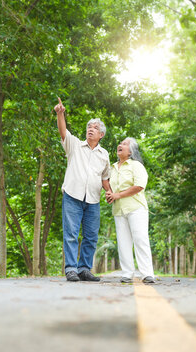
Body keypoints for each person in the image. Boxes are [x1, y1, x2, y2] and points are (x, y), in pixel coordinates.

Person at [54, 97, 111, 282]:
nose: (90, 129)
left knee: (91, 236)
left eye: (94, 127)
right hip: (72, 195)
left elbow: (105, 178)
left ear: (101, 134)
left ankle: (84, 269)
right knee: (70, 234)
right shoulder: (75, 146)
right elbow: (63, 132)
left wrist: (110, 192)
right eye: (89, 127)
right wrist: (60, 114)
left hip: (93, 200)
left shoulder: (104, 155)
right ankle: (71, 268)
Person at [105, 137, 155, 284]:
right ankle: (127, 273)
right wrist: (109, 194)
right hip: (119, 209)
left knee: (140, 239)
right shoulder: (112, 168)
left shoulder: (136, 165)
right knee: (123, 242)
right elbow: (109, 186)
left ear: (131, 151)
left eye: (125, 144)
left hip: (136, 208)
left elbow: (139, 186)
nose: (120, 145)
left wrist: (117, 195)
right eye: (120, 143)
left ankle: (147, 274)